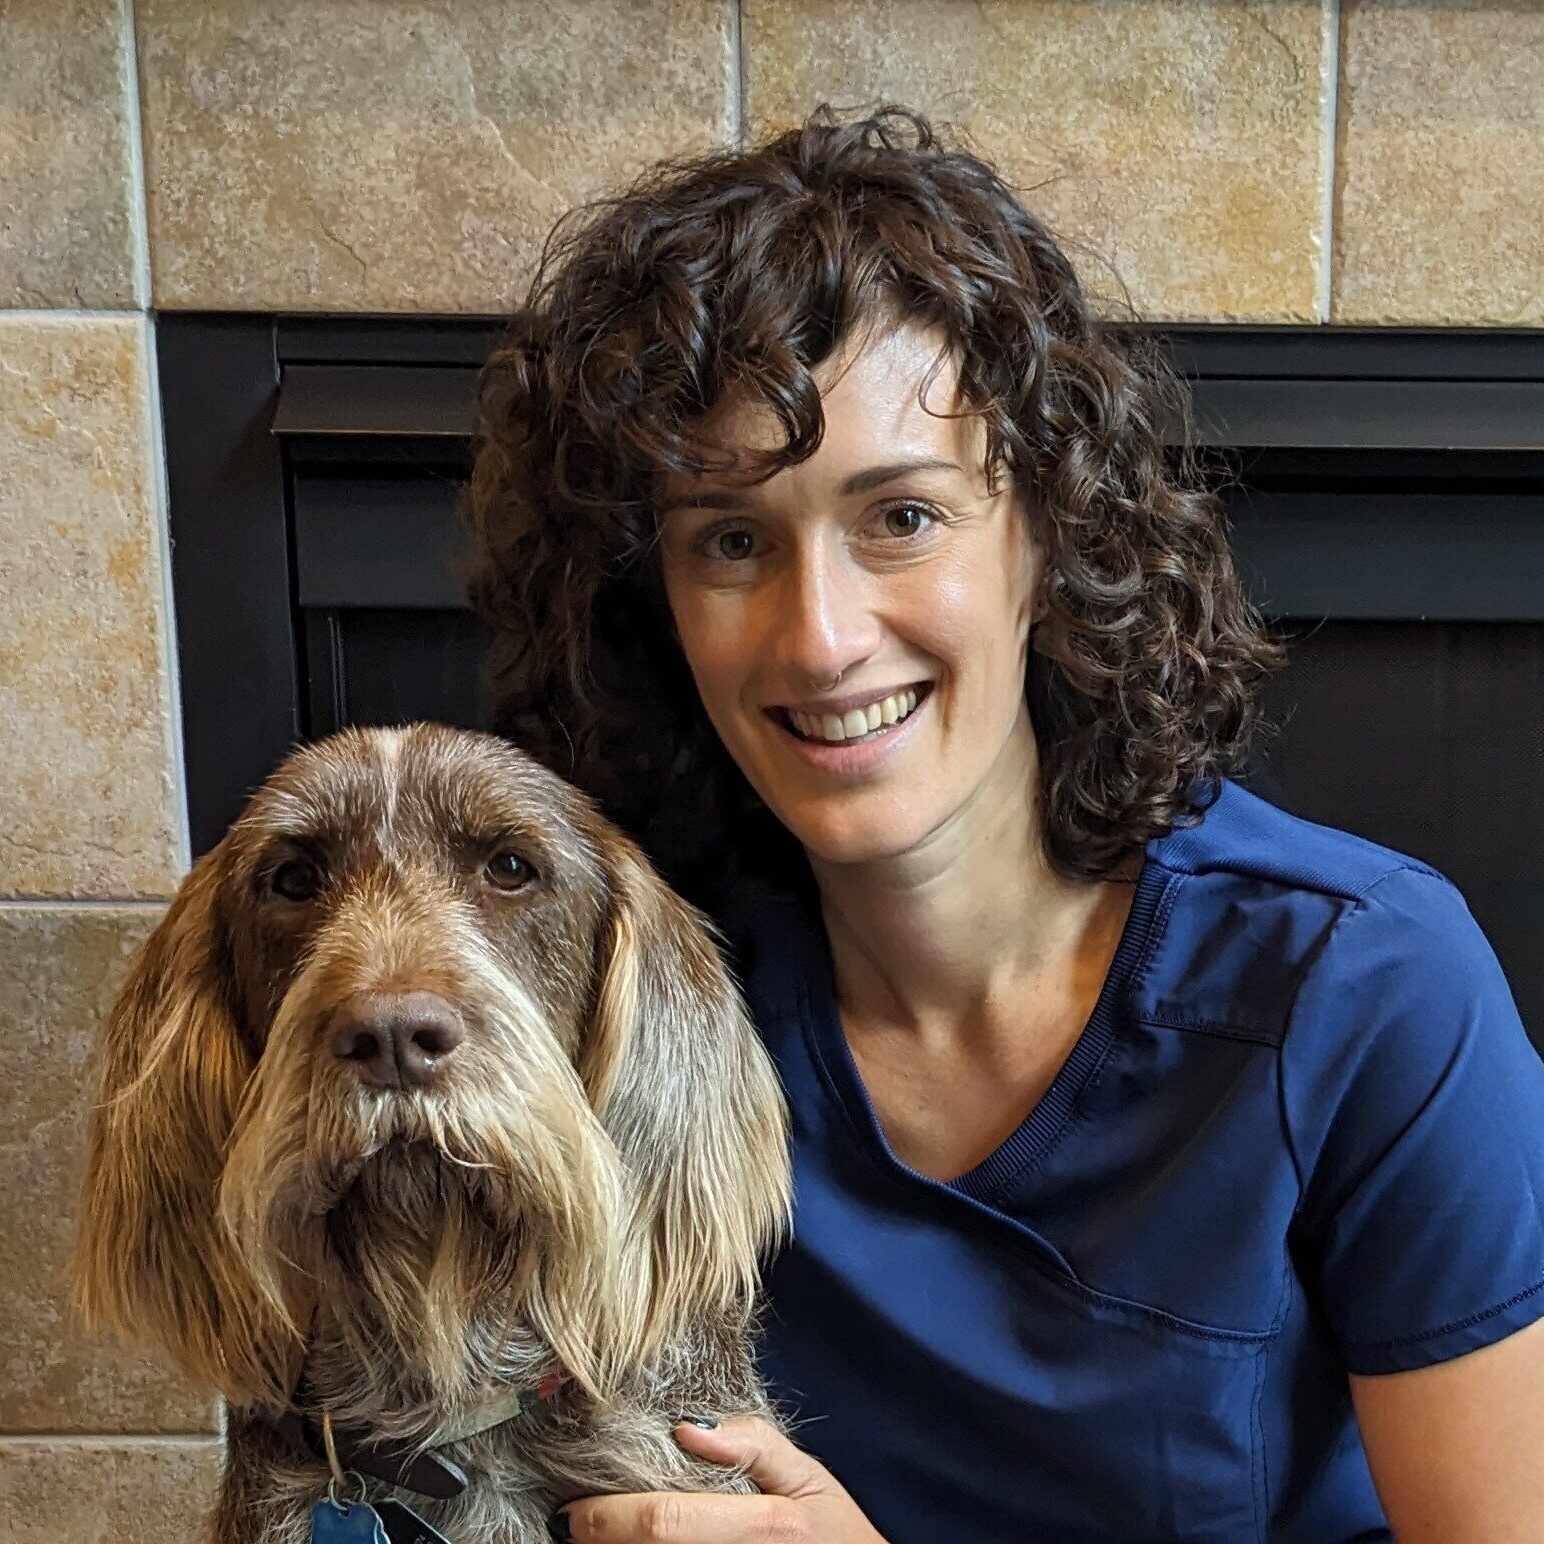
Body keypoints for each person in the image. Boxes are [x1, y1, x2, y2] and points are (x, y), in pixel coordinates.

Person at [460, 104, 1544, 1544]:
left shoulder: (1367, 986)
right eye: (732, 541)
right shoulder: (625, 988)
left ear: (1045, 535)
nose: (822, 636)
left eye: (901, 517)